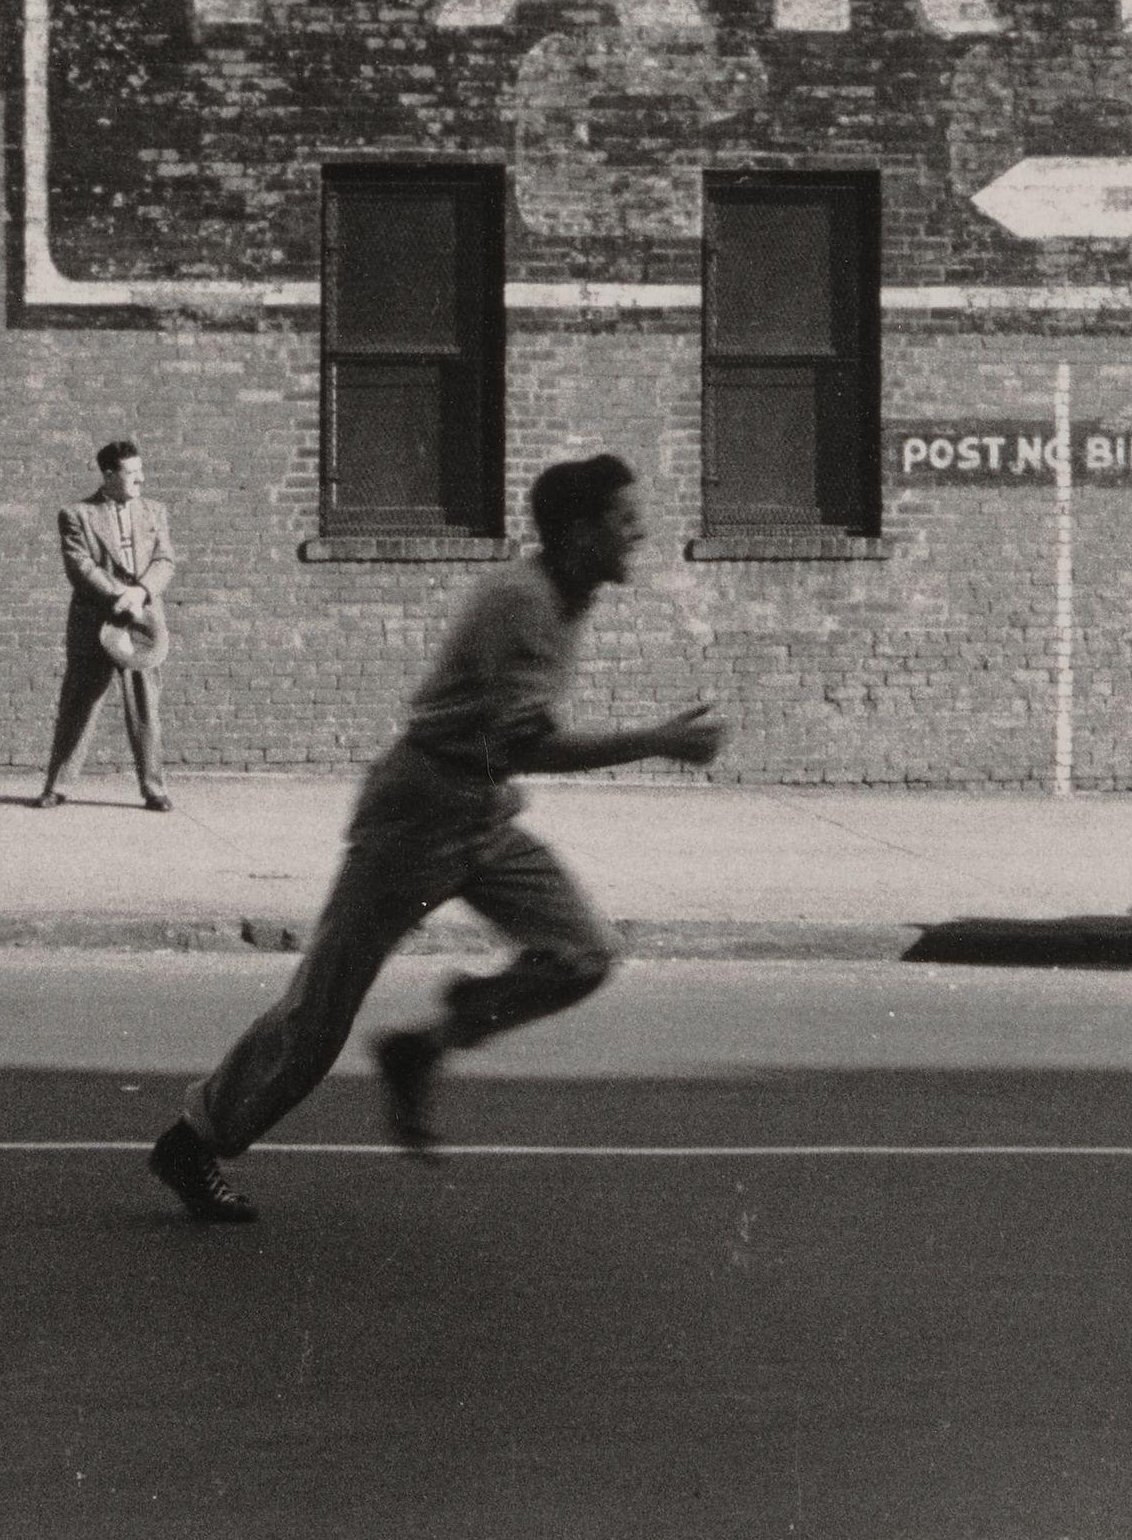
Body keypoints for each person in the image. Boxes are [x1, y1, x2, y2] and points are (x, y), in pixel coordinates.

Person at [149, 454, 725, 1224]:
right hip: (417, 815)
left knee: (584, 954)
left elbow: (506, 748)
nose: (639, 533)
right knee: (320, 1013)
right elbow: (519, 744)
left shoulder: (568, 596)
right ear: (578, 533)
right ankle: (194, 1141)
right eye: (623, 521)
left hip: (481, 809)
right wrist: (654, 741)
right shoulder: (520, 604)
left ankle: (425, 1045)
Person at [37, 440, 175, 811]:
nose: (141, 479)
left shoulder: (155, 511)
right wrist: (120, 594)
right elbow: (80, 566)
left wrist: (141, 592)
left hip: (144, 621)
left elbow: (165, 561)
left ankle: (154, 789)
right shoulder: (76, 514)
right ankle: (57, 786)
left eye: (141, 470)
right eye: (132, 472)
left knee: (146, 706)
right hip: (94, 621)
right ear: (109, 475)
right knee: (79, 703)